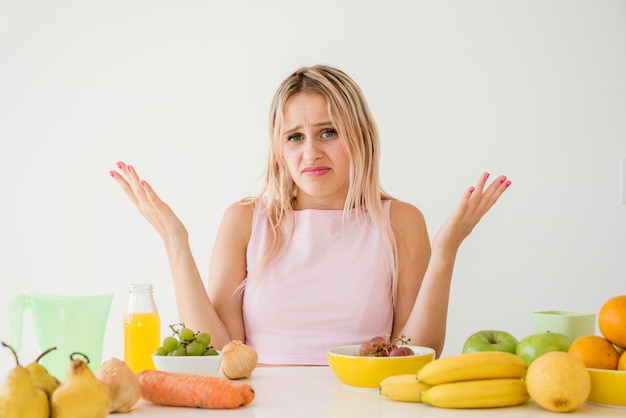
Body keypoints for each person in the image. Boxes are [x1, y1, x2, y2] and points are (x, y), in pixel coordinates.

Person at [110, 65, 511, 365]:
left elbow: (416, 353)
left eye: (328, 132)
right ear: (279, 149)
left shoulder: (400, 220)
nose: (311, 153)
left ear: (360, 137)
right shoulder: (245, 220)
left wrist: (446, 251)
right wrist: (174, 242)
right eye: (295, 137)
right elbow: (218, 350)